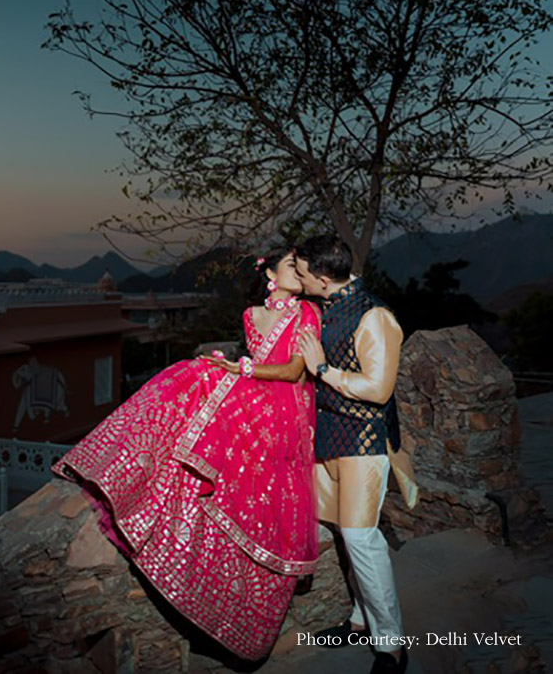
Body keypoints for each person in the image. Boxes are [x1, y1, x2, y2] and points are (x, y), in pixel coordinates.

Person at [52, 248, 321, 661]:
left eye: (302, 268)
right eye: (292, 266)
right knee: (194, 372)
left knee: (197, 376)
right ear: (270, 274)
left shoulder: (307, 313)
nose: (301, 273)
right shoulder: (252, 316)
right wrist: (238, 369)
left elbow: (294, 372)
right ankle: (125, 467)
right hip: (259, 398)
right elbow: (254, 364)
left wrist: (241, 370)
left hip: (286, 412)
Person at [295, 235, 418, 674]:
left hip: (364, 440)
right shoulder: (328, 306)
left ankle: (392, 646)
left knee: (363, 539)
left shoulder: (376, 316)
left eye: (304, 271)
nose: (300, 278)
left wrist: (323, 369)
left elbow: (378, 388)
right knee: (347, 537)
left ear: (323, 277)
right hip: (329, 437)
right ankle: (361, 620)